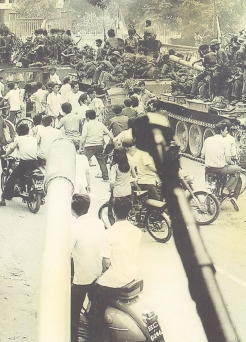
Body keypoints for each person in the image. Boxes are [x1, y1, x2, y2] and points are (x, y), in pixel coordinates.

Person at [93, 197, 141, 319]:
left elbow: (106, 262)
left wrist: (102, 273)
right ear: (129, 212)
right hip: (131, 274)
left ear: (113, 213)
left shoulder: (109, 233)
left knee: (95, 293)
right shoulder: (137, 231)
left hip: (117, 279)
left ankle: (96, 331)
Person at [70, 193, 109, 342]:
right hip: (97, 274)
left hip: (82, 278)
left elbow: (66, 252)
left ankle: (73, 338)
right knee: (96, 310)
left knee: (72, 312)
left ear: (73, 210)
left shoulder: (74, 228)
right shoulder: (98, 222)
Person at [202, 122, 241, 209]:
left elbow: (202, 156)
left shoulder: (207, 140)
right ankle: (226, 188)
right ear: (221, 131)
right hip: (220, 169)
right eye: (226, 130)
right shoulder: (225, 142)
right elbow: (227, 159)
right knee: (238, 169)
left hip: (208, 169)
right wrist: (232, 163)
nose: (227, 132)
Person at [3, 122, 39, 203]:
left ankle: (5, 196)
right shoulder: (34, 139)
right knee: (27, 175)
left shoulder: (18, 139)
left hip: (24, 163)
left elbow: (12, 149)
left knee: (13, 178)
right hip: (34, 162)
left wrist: (5, 155)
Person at [79, 109, 112, 181]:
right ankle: (105, 176)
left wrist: (80, 147)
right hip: (99, 145)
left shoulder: (86, 125)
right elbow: (108, 133)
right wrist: (113, 139)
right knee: (101, 161)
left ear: (87, 117)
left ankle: (80, 176)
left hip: (89, 146)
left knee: (83, 161)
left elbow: (83, 136)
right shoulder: (100, 124)